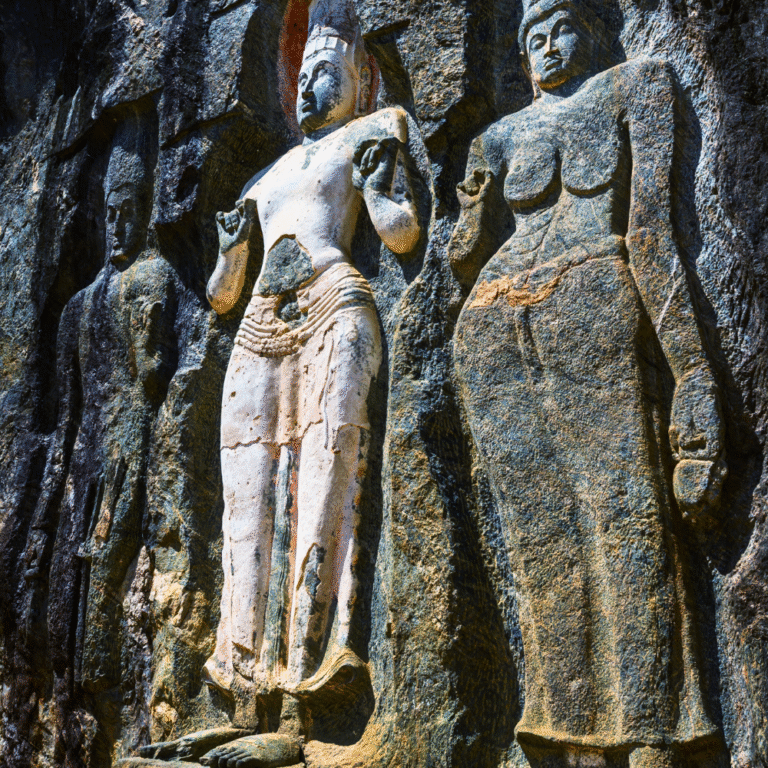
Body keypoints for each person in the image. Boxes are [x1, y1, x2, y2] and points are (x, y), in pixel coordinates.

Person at [138, 1, 420, 765]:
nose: (307, 89)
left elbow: (400, 235)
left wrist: (384, 190)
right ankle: (241, 695)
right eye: (301, 75)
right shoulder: (267, 177)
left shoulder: (374, 131)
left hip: (335, 307)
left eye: (326, 74)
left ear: (360, 80)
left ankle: (300, 703)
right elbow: (227, 296)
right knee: (246, 505)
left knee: (324, 487)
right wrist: (231, 254)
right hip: (261, 328)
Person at [449, 1, 727, 766]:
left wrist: (693, 372)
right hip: (494, 330)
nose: (544, 46)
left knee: (627, 513)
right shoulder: (497, 138)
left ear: (600, 28)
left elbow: (651, 231)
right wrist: (468, 217)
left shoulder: (636, 86)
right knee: (541, 540)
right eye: (530, 36)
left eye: (560, 25)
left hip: (594, 301)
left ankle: (652, 730)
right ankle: (567, 730)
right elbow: (465, 254)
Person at [21, 123, 179, 763]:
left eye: (128, 214)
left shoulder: (155, 279)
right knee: (70, 589)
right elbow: (67, 407)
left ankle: (122, 713)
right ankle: (72, 705)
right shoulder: (77, 308)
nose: (117, 227)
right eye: (109, 216)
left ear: (144, 215)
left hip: (130, 453)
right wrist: (58, 476)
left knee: (118, 585)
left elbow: (155, 374)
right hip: (83, 465)